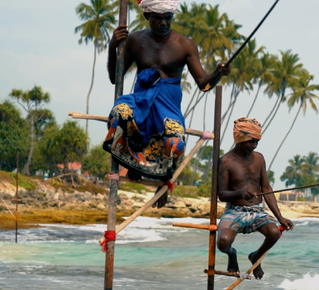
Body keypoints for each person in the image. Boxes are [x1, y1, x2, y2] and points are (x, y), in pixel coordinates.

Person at [103, 0, 230, 208]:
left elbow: (203, 85)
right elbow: (115, 79)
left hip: (169, 104)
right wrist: (112, 46)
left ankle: (163, 182)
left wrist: (217, 73)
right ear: (147, 17)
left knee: (176, 142)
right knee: (119, 113)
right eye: (158, 18)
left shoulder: (185, 44)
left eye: (167, 18)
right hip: (140, 99)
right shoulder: (134, 41)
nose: (163, 23)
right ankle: (133, 163)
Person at [217, 117, 294, 280]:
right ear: (240, 139)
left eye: (257, 142)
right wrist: (239, 193)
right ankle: (232, 254)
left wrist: (280, 218)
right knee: (223, 242)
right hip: (235, 211)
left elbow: (266, 189)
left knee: (274, 233)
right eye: (251, 141)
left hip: (257, 210)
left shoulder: (259, 158)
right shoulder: (225, 161)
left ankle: (255, 257)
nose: (254, 146)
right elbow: (222, 194)